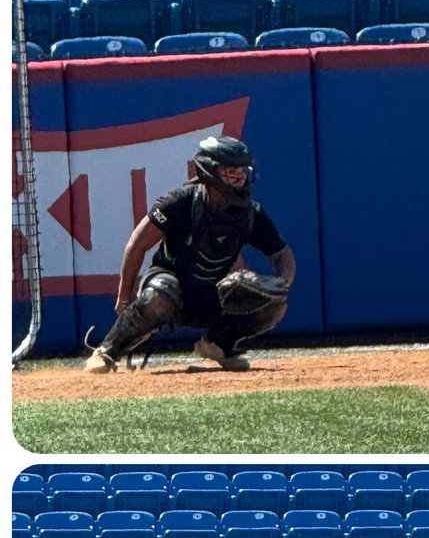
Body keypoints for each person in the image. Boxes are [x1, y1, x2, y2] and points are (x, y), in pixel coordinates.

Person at [84, 135, 296, 373]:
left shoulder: (251, 214)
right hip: (170, 285)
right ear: (209, 172)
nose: (238, 179)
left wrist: (282, 283)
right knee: (159, 295)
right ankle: (106, 350)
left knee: (275, 304)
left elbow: (282, 253)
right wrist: (124, 297)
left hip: (212, 293)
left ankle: (219, 344)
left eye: (241, 172)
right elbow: (137, 244)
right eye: (230, 172)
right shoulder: (181, 202)